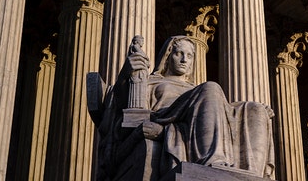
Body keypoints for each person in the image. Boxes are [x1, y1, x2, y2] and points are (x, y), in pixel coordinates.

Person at [95, 36, 274, 179]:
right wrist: (126, 75)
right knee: (211, 87)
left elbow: (224, 111)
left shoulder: (195, 89)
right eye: (178, 53)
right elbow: (120, 108)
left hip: (193, 122)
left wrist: (249, 110)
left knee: (254, 109)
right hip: (166, 119)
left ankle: (251, 175)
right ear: (167, 56)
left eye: (189, 56)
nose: (183, 60)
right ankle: (212, 162)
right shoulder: (152, 82)